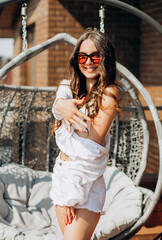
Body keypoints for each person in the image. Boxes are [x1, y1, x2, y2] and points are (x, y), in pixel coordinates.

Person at [50, 28, 120, 240]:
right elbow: (59, 98)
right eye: (82, 56)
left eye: (95, 55)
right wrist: (60, 105)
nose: (88, 62)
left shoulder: (110, 94)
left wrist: (71, 195)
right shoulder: (69, 88)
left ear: (105, 58)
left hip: (84, 183)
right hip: (62, 176)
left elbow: (90, 151)